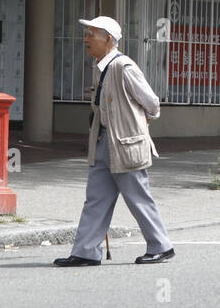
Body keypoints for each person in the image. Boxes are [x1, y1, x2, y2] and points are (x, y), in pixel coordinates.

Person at [54, 15, 174, 267]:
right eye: (86, 34)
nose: (85, 39)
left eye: (91, 34)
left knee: (138, 197)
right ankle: (86, 251)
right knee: (96, 198)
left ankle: (161, 246)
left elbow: (152, 102)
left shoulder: (123, 66)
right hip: (103, 142)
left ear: (108, 39)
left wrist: (142, 123)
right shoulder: (101, 66)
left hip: (125, 144)